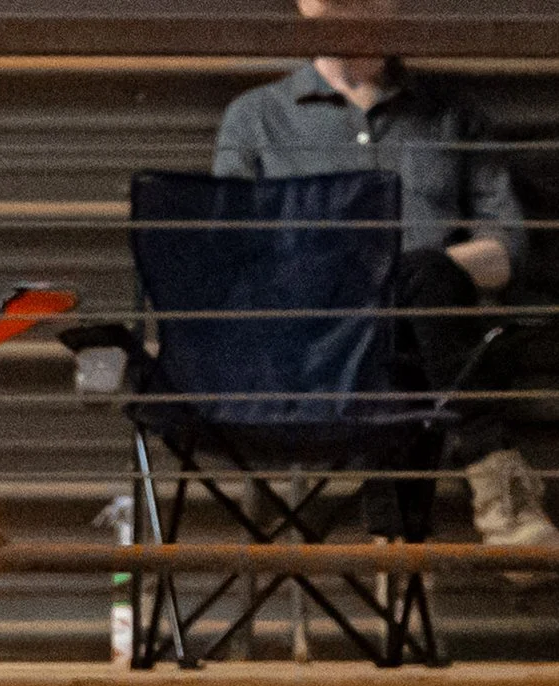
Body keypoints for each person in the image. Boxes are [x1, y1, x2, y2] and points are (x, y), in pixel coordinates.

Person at [214, 0, 558, 558]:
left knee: (419, 285)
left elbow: (509, 248)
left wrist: (404, 276)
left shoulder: (453, 117)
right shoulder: (257, 119)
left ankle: (397, 562)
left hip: (434, 347)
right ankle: (499, 492)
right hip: (317, 355)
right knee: (409, 301)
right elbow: (238, 262)